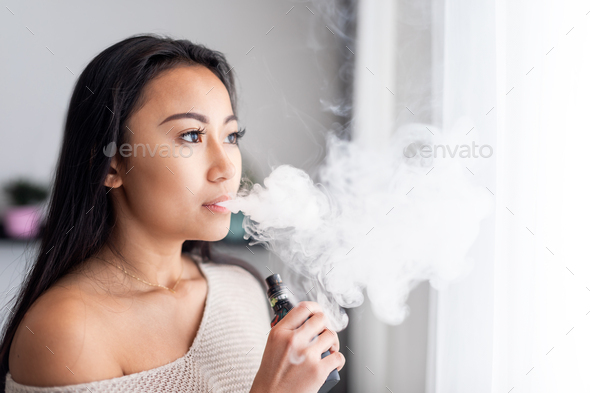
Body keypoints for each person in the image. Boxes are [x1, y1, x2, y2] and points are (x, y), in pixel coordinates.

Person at [0, 34, 345, 392]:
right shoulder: (66, 330)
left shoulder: (242, 288)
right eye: (192, 136)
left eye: (231, 136)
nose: (226, 168)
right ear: (111, 166)